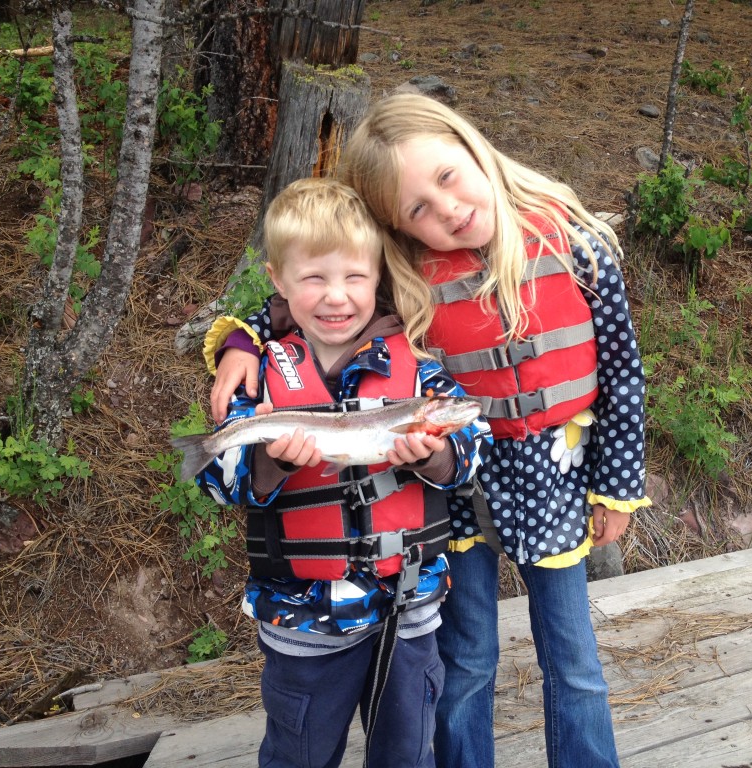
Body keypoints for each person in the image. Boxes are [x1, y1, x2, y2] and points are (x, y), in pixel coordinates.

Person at [209, 94, 650, 768]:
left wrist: (616, 488)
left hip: (555, 480)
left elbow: (622, 372)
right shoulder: (404, 274)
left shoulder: (575, 241)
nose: (444, 209)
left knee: (575, 658)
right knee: (467, 656)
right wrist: (243, 337)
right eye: (417, 208)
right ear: (397, 226)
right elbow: (315, 292)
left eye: (447, 177)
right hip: (456, 488)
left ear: (471, 146)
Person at [194, 177, 491, 768]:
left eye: (355, 277)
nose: (337, 296)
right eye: (315, 278)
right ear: (279, 281)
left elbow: (471, 449)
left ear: (378, 276)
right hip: (302, 621)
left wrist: (434, 453)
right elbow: (218, 484)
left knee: (406, 755)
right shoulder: (260, 374)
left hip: (407, 612)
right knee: (298, 755)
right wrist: (268, 459)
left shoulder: (418, 371)